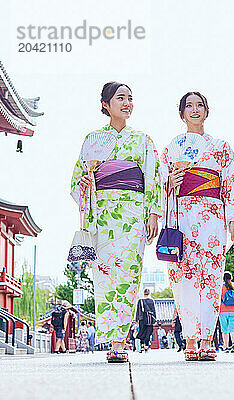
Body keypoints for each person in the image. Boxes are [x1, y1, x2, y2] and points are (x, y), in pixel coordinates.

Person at [71, 82, 162, 363]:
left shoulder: (144, 140)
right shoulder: (92, 139)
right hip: (104, 215)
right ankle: (111, 340)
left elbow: (153, 178)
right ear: (105, 104)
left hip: (133, 215)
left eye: (130, 98)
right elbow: (77, 179)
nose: (127, 103)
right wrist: (85, 183)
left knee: (129, 276)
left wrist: (153, 213)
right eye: (120, 98)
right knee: (105, 277)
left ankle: (121, 340)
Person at [160, 91, 234, 361]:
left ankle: (208, 337)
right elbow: (158, 181)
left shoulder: (220, 147)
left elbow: (233, 180)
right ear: (181, 113)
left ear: (207, 111)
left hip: (212, 216)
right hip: (182, 216)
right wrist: (169, 183)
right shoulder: (171, 147)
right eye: (189, 106)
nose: (195, 110)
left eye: (200, 106)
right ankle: (190, 338)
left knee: (211, 276)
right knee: (183, 275)